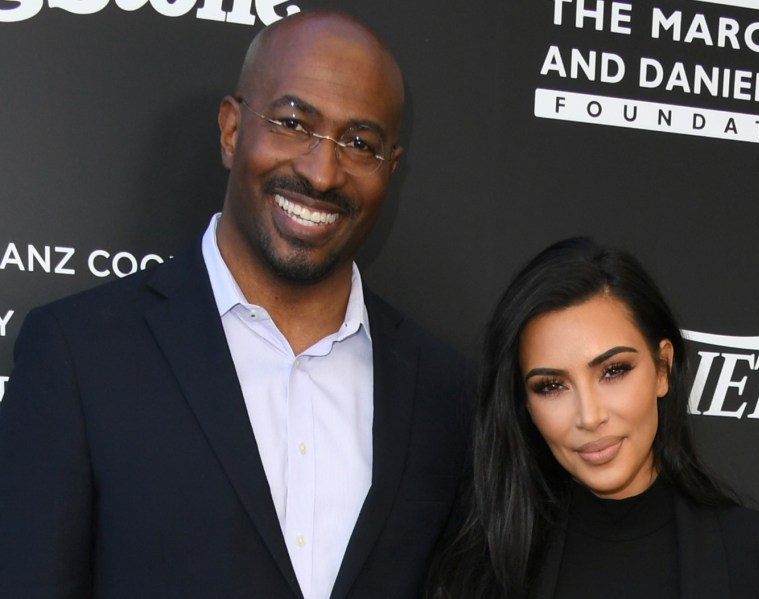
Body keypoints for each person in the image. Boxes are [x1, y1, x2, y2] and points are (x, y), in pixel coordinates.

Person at [0, 10, 470, 599]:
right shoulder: (77, 355)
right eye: (295, 123)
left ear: (390, 169)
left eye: (358, 144)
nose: (322, 173)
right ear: (230, 130)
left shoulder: (446, 394)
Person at [426, 237, 759, 598]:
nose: (589, 416)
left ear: (663, 368)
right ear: (524, 404)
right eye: (551, 386)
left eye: (613, 371)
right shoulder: (472, 577)